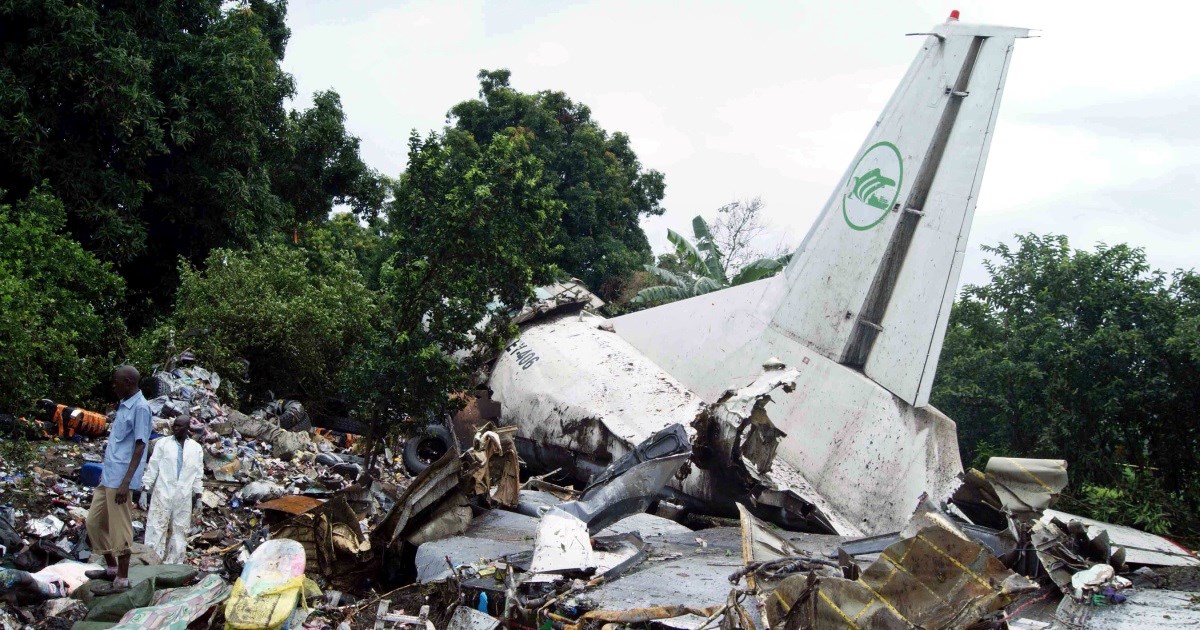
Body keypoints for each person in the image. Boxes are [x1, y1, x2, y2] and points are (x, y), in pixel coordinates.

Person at [83, 365, 151, 594]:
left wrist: (126, 482)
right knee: (94, 522)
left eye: (117, 381)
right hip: (108, 475)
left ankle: (122, 578)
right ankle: (111, 567)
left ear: (129, 381)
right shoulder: (124, 405)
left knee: (120, 529)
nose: (114, 385)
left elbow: (141, 445)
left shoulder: (141, 408)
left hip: (121, 478)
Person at [139, 415, 204, 564]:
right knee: (156, 526)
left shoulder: (196, 448)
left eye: (180, 426)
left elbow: (198, 474)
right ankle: (151, 562)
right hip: (163, 491)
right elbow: (152, 467)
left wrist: (199, 497)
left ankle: (174, 564)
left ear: (187, 428)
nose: (175, 428)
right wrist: (145, 489)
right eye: (174, 425)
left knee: (180, 530)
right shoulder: (163, 443)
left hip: (184, 494)